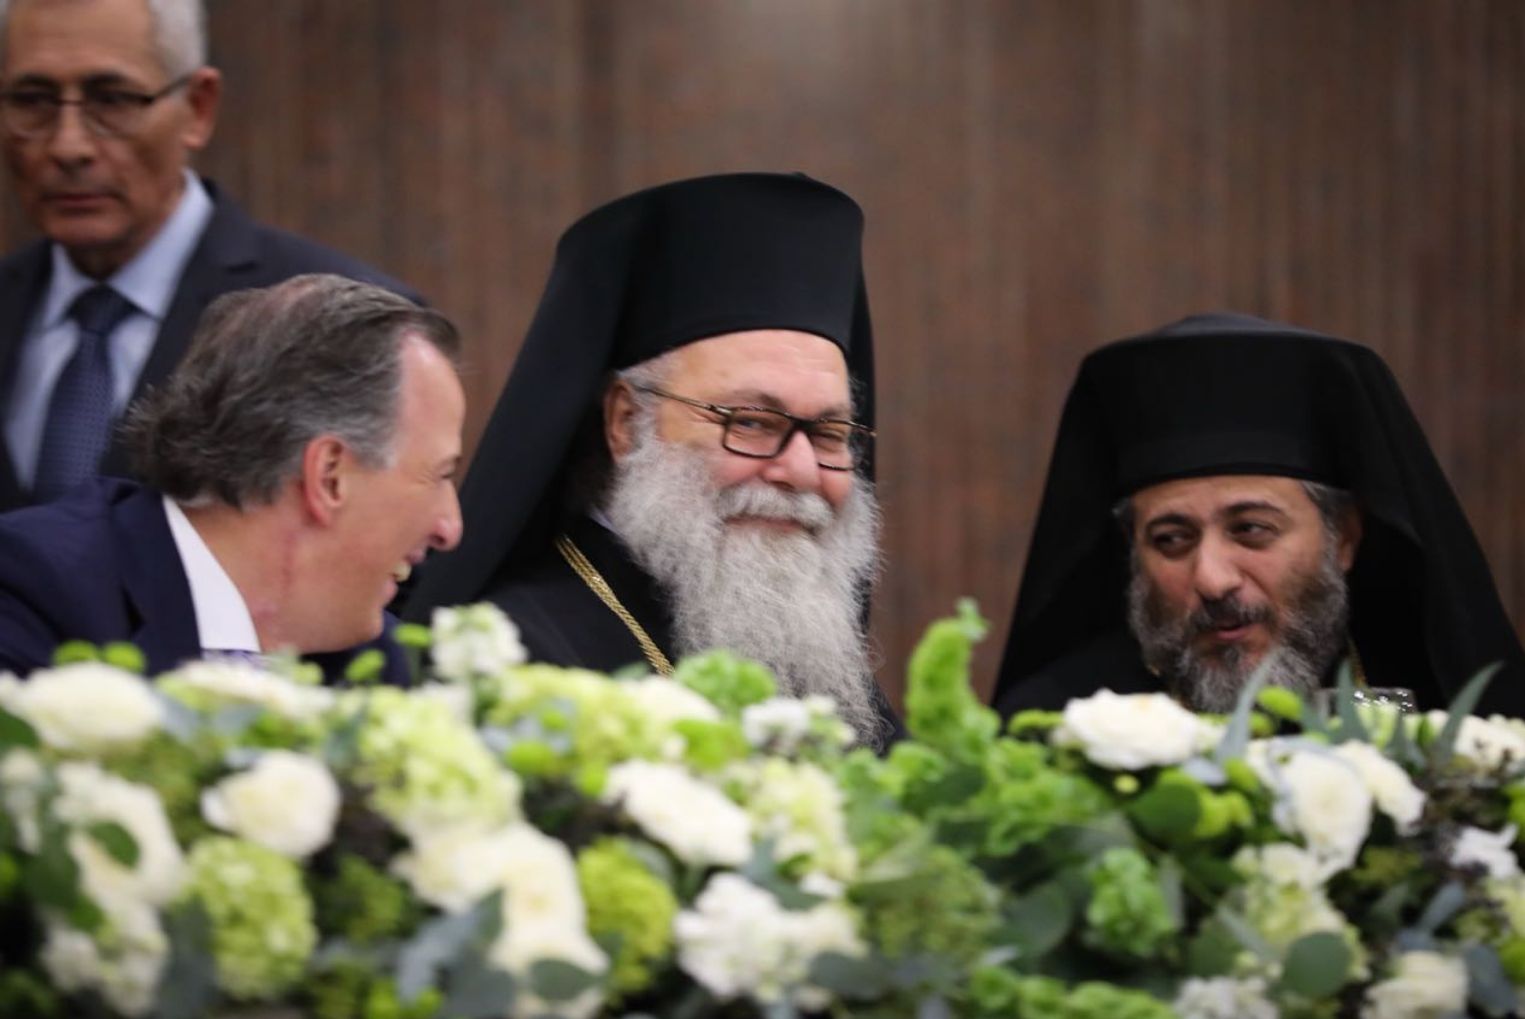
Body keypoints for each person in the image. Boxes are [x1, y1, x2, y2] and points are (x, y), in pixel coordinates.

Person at [402, 172, 902, 747]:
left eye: (830, 433)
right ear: (625, 423)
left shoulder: (815, 672)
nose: (803, 472)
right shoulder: (513, 671)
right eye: (752, 423)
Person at [992, 312, 1525, 719]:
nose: (1212, 579)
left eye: (1251, 530)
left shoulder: (1446, 710)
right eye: (1172, 539)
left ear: (1345, 537)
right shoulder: (1059, 722)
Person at [0, 0, 419, 512]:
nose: (68, 146)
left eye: (112, 100)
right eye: (33, 101)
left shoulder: (340, 331)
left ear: (198, 107)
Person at [0, 273, 464, 679]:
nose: (450, 528)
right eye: (438, 475)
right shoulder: (30, 594)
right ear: (329, 476)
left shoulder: (378, 661)